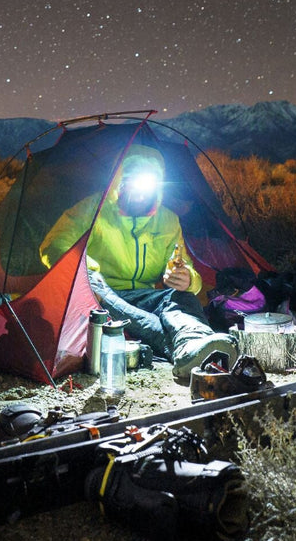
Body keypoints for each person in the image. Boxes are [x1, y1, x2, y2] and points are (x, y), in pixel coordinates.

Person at [39, 145, 237, 382]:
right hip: (100, 296)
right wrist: (88, 271)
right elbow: (54, 246)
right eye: (132, 181)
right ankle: (192, 348)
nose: (140, 191)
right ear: (119, 181)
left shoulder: (167, 220)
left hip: (143, 296)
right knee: (95, 284)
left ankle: (193, 342)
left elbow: (183, 264)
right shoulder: (93, 210)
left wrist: (188, 279)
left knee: (181, 298)